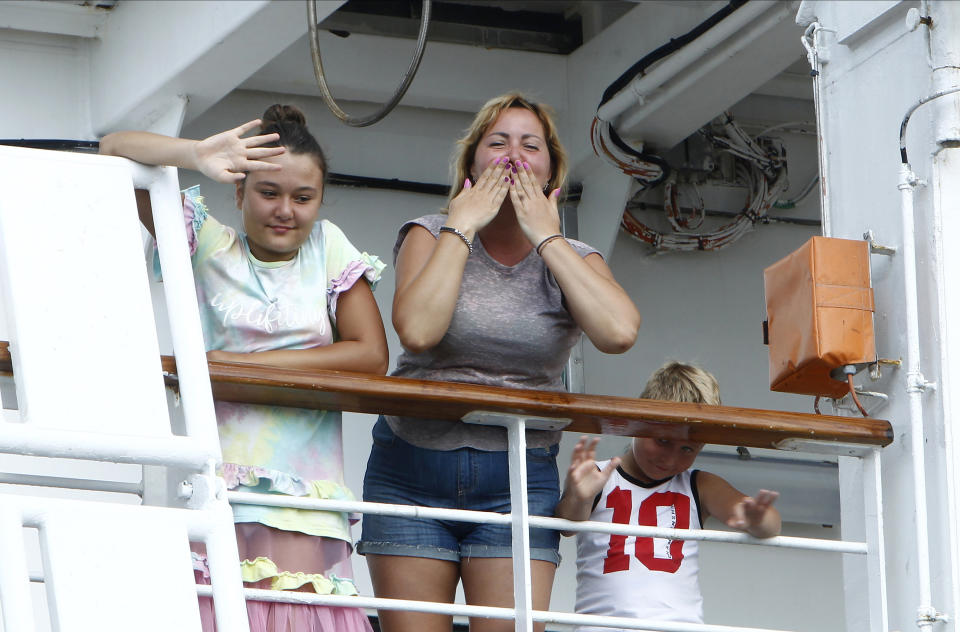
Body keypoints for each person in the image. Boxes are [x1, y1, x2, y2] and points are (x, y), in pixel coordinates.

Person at [356, 92, 641, 632]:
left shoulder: (575, 257)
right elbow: (417, 331)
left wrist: (547, 235)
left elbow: (619, 332)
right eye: (498, 142)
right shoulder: (429, 232)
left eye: (530, 146)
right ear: (470, 166)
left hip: (519, 474)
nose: (514, 155)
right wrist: (461, 226)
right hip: (411, 466)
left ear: (551, 170)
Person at [100, 105, 389, 632]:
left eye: (303, 198)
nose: (286, 210)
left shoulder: (328, 246)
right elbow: (113, 149)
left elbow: (371, 356)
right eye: (268, 193)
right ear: (238, 193)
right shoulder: (208, 244)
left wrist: (240, 365)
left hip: (304, 495)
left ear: (319, 201)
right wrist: (196, 154)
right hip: (220, 487)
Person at [556, 362, 781, 628]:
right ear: (637, 422)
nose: (670, 459)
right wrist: (579, 495)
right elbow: (568, 525)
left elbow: (771, 525)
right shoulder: (599, 475)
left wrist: (757, 518)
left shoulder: (699, 484)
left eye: (687, 449)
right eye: (663, 441)